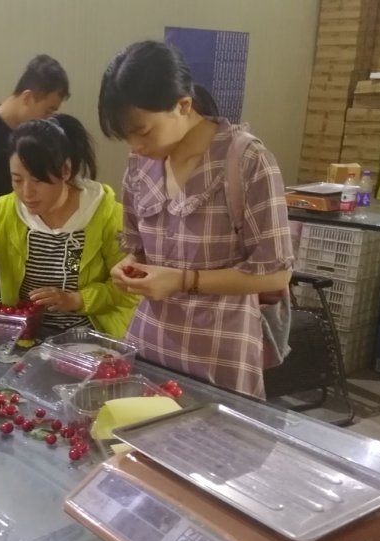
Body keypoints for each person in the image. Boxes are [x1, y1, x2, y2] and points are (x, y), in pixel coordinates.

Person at [99, 41, 294, 399]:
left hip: (219, 350)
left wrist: (182, 280)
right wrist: (127, 268)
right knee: (141, 428)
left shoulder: (246, 161)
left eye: (142, 132)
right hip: (151, 342)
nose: (134, 147)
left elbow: (276, 274)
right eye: (126, 136)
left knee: (211, 433)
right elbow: (138, 251)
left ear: (183, 105)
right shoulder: (140, 166)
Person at [0, 114, 138, 358]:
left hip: (91, 344)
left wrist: (77, 299)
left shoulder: (106, 214)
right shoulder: (6, 211)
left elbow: (129, 289)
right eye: (17, 180)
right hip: (25, 339)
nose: (27, 192)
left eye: (38, 180)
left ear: (65, 170)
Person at [0, 54, 70, 299]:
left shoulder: (27, 139)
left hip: (17, 243)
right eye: (47, 110)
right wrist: (18, 213)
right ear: (28, 97)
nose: (48, 119)